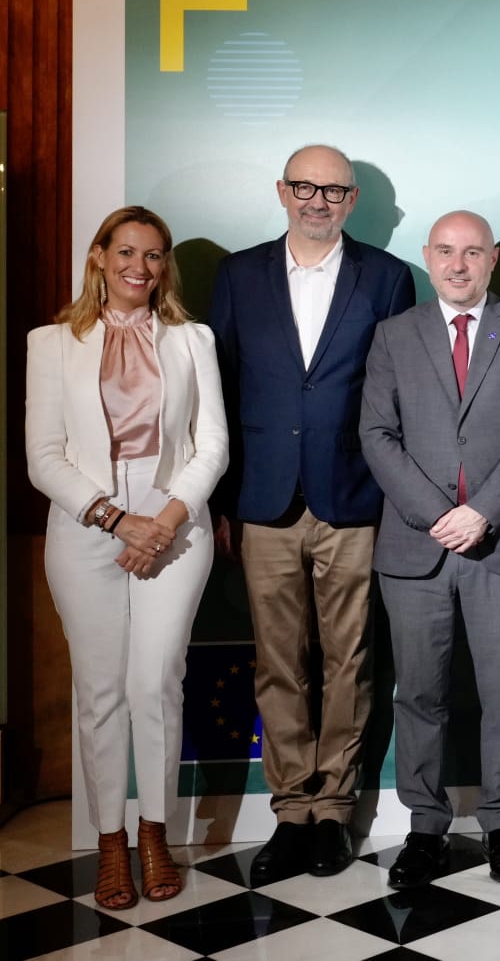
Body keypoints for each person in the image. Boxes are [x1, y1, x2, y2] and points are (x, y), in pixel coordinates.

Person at [209, 144, 416, 882]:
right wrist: (222, 500)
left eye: (332, 190)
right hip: (262, 500)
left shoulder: (387, 278)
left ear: (352, 200)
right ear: (282, 191)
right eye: (305, 187)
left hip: (353, 498)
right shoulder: (237, 275)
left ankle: (333, 810)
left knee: (349, 660)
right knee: (278, 663)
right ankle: (291, 810)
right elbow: (218, 391)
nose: (317, 201)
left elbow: (398, 395)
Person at [25, 207, 229, 909]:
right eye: (126, 252)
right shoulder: (52, 342)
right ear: (99, 257)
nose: (139, 267)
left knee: (155, 681)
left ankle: (155, 833)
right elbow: (43, 457)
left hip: (175, 518)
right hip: (87, 518)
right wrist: (116, 519)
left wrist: (163, 522)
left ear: (165, 265)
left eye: (153, 254)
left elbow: (212, 445)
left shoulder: (192, 338)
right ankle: (110, 839)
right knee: (100, 689)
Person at [359, 211, 500, 888]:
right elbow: (376, 433)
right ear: (427, 256)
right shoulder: (394, 335)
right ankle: (425, 828)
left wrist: (483, 511)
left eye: (472, 252)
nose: (458, 264)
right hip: (415, 546)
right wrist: (438, 514)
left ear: (492, 259)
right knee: (418, 693)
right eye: (445, 251)